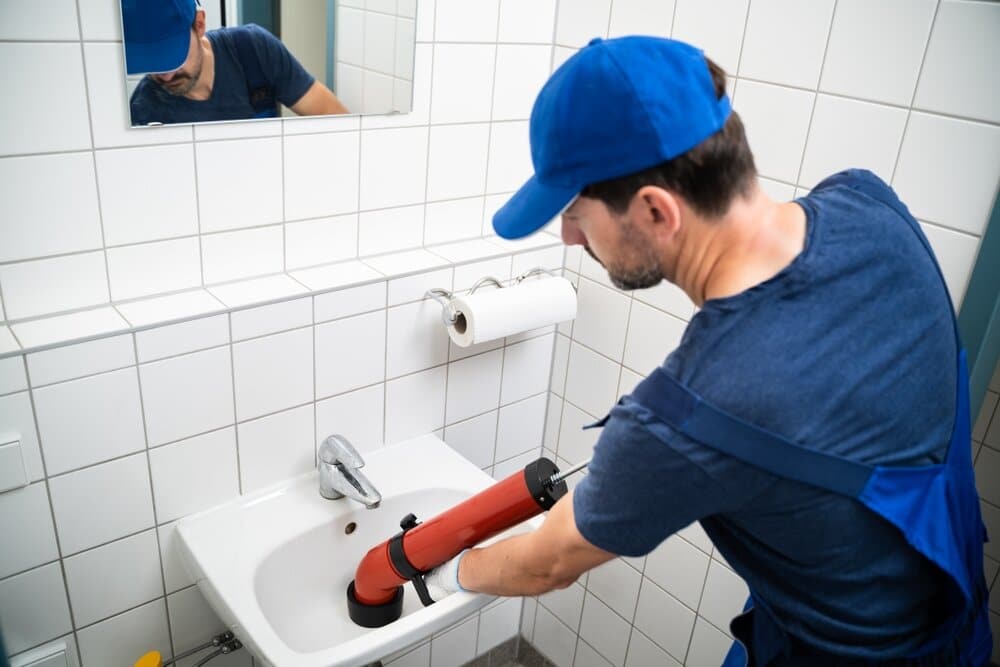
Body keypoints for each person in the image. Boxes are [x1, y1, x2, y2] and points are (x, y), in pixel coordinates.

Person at [424, 36, 992, 665]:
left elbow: (548, 562)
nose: (567, 235)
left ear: (656, 211)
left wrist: (451, 572)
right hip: (957, 625)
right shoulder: (870, 206)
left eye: (577, 212)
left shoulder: (689, 413)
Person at [122, 0, 348, 125]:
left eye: (173, 60)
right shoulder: (144, 110)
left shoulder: (252, 51)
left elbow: (334, 118)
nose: (166, 77)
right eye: (152, 64)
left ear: (199, 24)